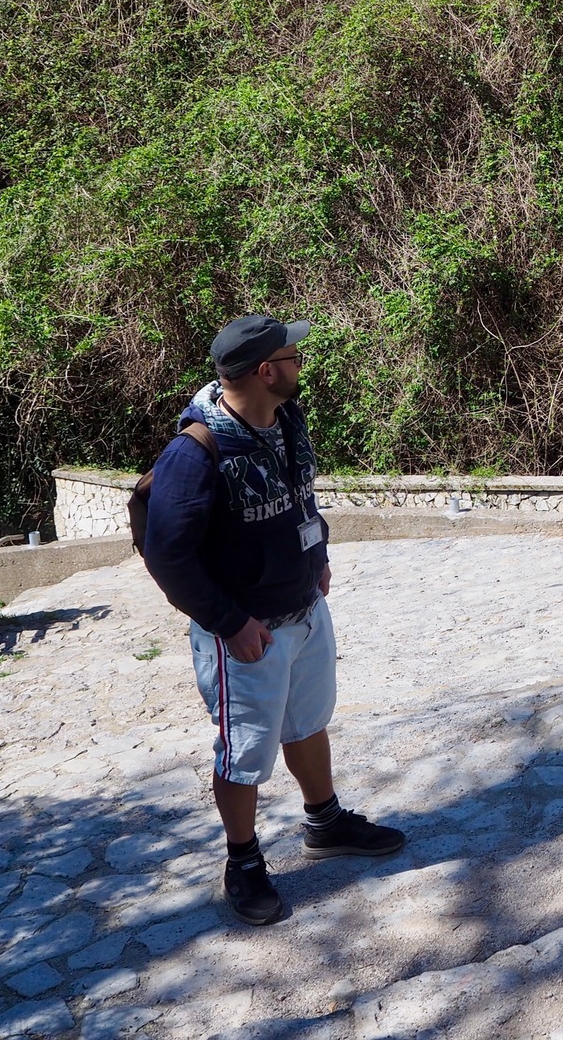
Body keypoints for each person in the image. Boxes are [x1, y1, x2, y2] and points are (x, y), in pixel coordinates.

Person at [142, 314, 404, 925]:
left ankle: (326, 822)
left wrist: (319, 556)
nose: (300, 364)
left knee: (308, 723)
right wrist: (229, 622)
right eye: (292, 356)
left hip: (305, 612)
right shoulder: (196, 450)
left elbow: (300, 494)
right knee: (245, 752)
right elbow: (167, 553)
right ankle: (243, 861)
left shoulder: (285, 419)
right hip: (246, 637)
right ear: (265, 371)